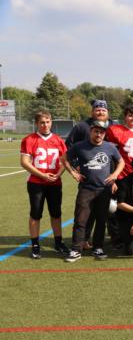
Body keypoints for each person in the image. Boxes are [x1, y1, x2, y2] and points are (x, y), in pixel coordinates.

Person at [62, 119, 124, 262]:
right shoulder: (79, 146)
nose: (99, 134)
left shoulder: (110, 147)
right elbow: (64, 158)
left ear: (104, 134)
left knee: (101, 220)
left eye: (102, 132)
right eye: (96, 131)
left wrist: (115, 175)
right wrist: (73, 173)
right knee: (80, 220)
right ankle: (76, 249)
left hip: (104, 190)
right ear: (90, 131)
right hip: (86, 189)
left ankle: (98, 247)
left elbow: (121, 161)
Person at [20, 110, 71, 259]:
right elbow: (24, 162)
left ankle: (58, 242)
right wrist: (42, 175)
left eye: (47, 122)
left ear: (51, 122)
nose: (45, 125)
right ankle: (35, 245)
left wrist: (58, 175)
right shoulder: (29, 139)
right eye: (42, 122)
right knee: (35, 214)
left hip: (54, 182)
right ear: (36, 123)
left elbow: (64, 162)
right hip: (36, 183)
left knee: (56, 213)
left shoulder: (58, 140)